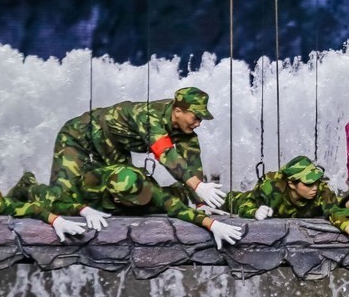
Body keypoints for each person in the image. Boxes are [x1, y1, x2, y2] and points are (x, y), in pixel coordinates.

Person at [48, 85, 227, 212]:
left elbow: (192, 163)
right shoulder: (149, 116)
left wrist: (200, 204)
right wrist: (197, 186)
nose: (198, 123)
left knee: (122, 196)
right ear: (178, 111)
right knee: (60, 200)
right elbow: (165, 152)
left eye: (201, 119)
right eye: (195, 117)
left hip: (112, 147)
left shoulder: (186, 131)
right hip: (79, 136)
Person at [224, 155, 349, 256]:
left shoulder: (321, 190)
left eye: (316, 182)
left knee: (340, 204)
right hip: (240, 200)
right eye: (308, 184)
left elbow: (334, 213)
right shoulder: (271, 187)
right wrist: (254, 212)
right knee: (228, 200)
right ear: (292, 184)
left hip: (302, 212)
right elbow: (245, 206)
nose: (314, 188)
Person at [60, 164, 243, 248]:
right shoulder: (89, 185)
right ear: (117, 199)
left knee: (168, 200)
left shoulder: (148, 190)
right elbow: (58, 201)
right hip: (108, 204)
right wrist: (82, 210)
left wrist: (212, 224)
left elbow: (177, 208)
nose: (145, 197)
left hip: (146, 204)